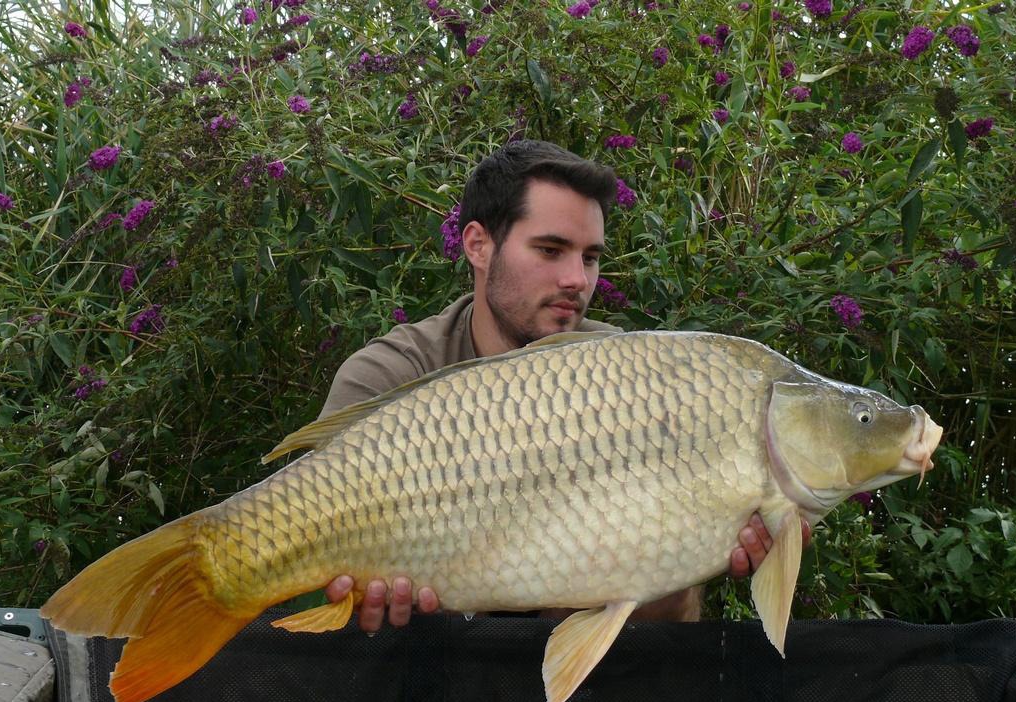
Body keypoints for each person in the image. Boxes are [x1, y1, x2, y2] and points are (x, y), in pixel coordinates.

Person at [320, 140, 809, 633]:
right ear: (478, 245)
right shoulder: (390, 374)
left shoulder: (632, 380)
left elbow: (667, 623)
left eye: (591, 257)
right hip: (422, 682)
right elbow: (316, 560)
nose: (577, 279)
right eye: (550, 250)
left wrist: (674, 575)